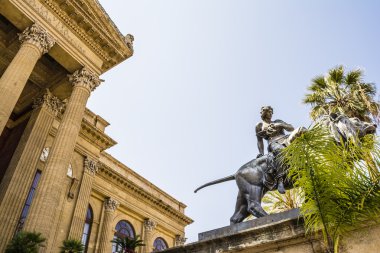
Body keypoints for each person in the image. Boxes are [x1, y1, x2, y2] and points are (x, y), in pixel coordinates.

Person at [255, 106, 295, 194]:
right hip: (274, 142)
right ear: (262, 113)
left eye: (269, 111)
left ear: (272, 113)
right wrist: (261, 153)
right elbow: (259, 141)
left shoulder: (278, 121)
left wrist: (281, 125)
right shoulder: (259, 125)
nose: (267, 113)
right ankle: (280, 179)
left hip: (286, 139)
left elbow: (291, 128)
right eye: (265, 111)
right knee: (280, 150)